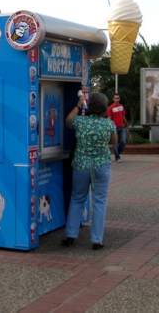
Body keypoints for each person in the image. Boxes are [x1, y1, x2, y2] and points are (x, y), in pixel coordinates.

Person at [62, 92, 117, 250]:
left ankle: (70, 235)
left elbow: (68, 121)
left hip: (82, 165)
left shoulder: (80, 121)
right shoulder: (108, 124)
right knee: (100, 201)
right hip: (101, 165)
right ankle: (97, 240)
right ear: (104, 107)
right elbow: (114, 141)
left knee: (77, 198)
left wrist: (78, 105)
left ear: (90, 105)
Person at [107, 93, 129, 162]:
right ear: (113, 99)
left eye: (118, 98)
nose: (117, 99)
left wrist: (127, 124)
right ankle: (117, 157)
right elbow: (109, 117)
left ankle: (117, 153)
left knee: (123, 142)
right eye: (115, 98)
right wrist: (108, 126)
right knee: (115, 143)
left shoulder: (121, 106)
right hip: (114, 128)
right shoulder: (110, 107)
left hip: (121, 127)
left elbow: (123, 116)